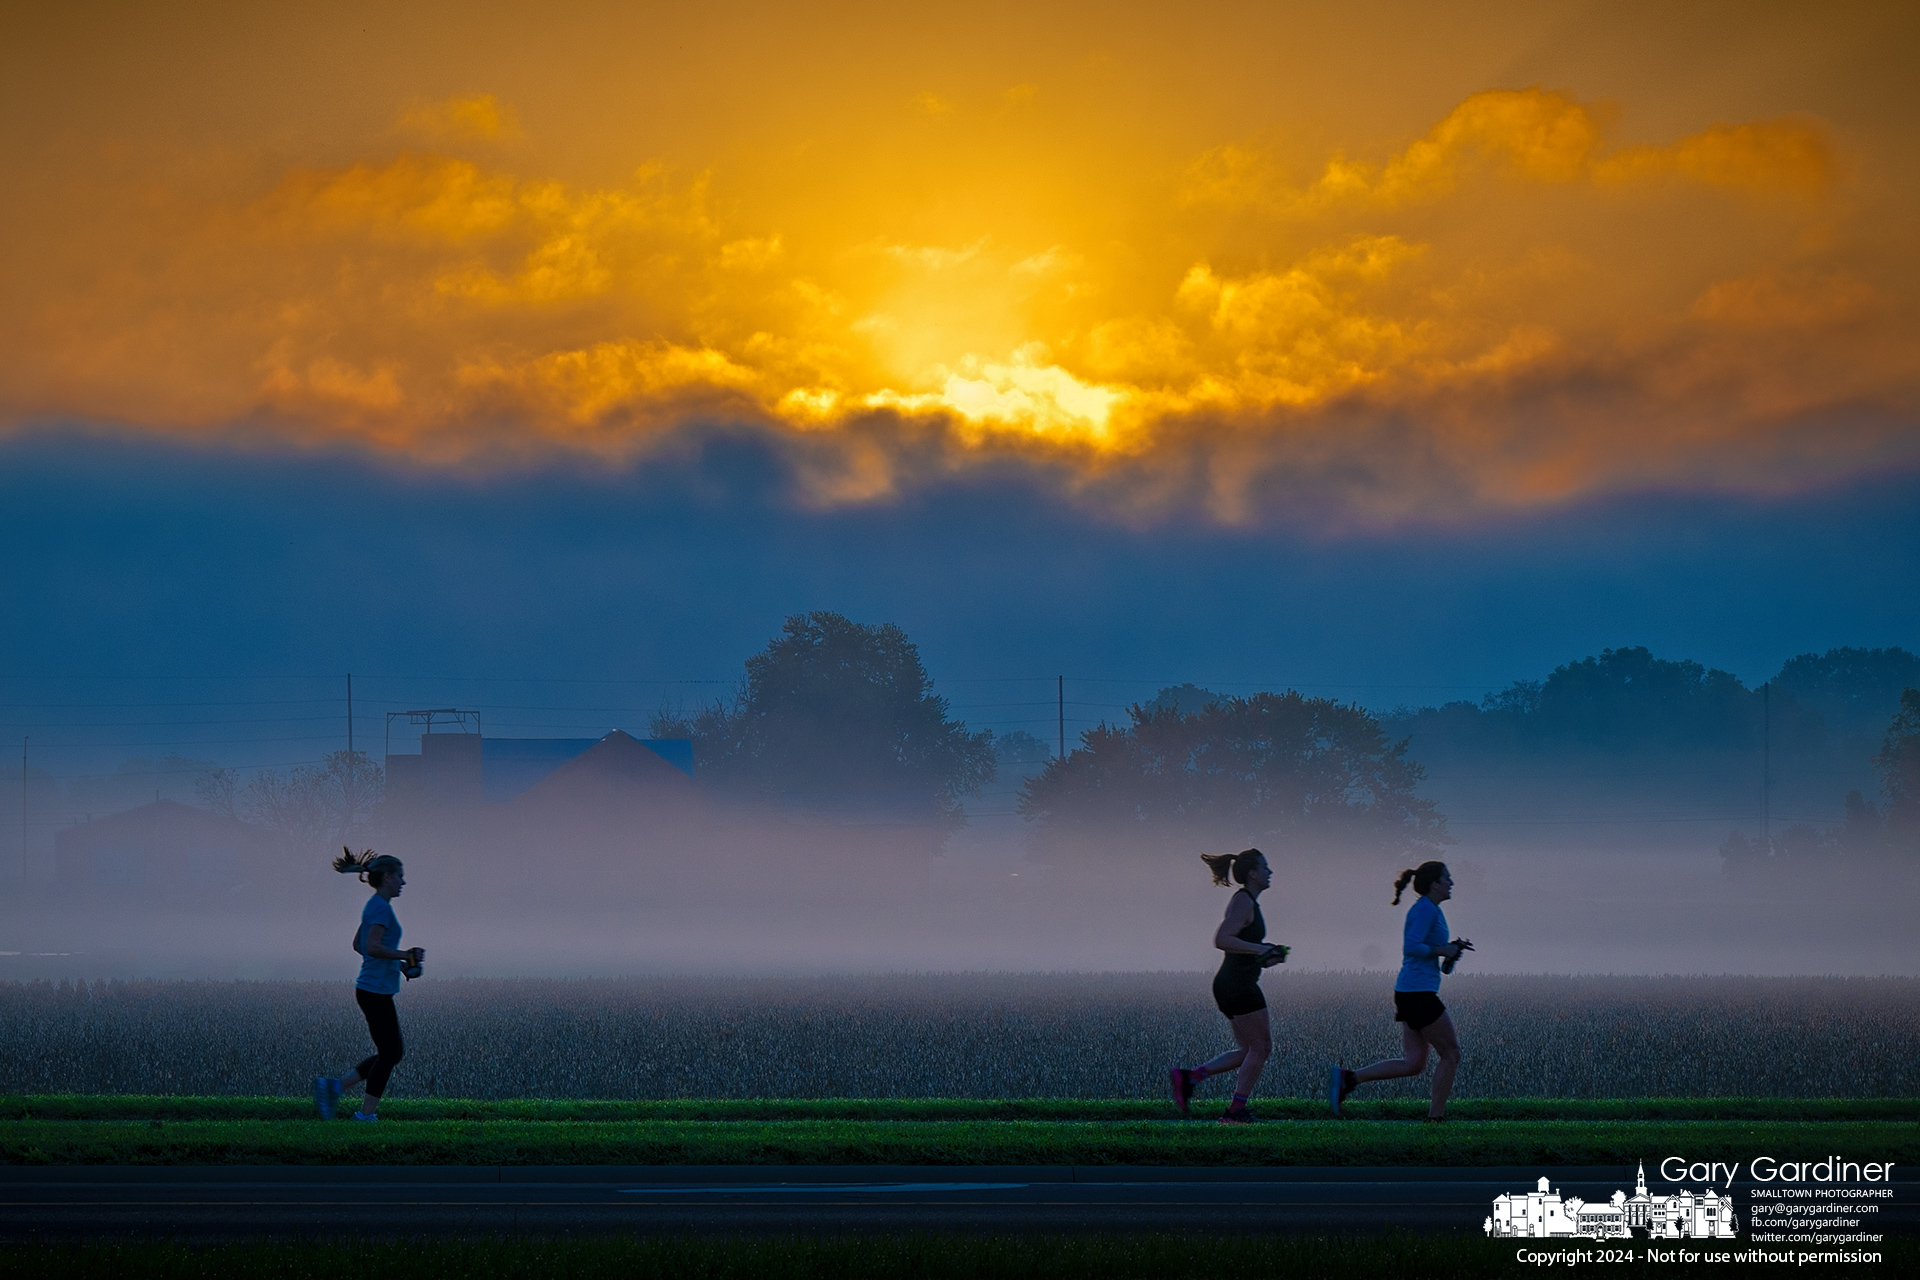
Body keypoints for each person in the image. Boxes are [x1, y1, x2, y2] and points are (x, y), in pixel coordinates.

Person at [1328, 860, 1471, 1121]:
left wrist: (1452, 951)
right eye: (1447, 878)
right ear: (1434, 884)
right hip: (1418, 993)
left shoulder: (1431, 910)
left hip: (1412, 990)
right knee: (1451, 1054)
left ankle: (1348, 1079)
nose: (1452, 883)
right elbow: (1411, 947)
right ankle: (1435, 1120)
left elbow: (1429, 954)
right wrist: (1443, 950)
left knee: (1413, 1063)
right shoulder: (1425, 910)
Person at [1168, 848, 1288, 1124]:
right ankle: (1235, 1112)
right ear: (1253, 873)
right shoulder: (1243, 902)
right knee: (1262, 1048)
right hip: (1237, 985)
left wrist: (1266, 956)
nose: (1270, 872)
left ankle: (1190, 1078)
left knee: (1248, 1050)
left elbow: (1240, 948)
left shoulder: (1249, 903)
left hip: (1233, 982)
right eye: (1265, 867)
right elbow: (1222, 939)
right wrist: (1261, 947)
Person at [313, 848, 423, 1121]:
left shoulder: (374, 905)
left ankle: (335, 1087)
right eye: (400, 876)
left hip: (373, 988)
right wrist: (406, 955)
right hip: (374, 991)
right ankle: (365, 1114)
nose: (403, 883)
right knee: (391, 1053)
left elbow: (358, 945)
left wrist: (397, 964)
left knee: (391, 1052)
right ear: (387, 877)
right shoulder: (381, 909)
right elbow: (372, 947)